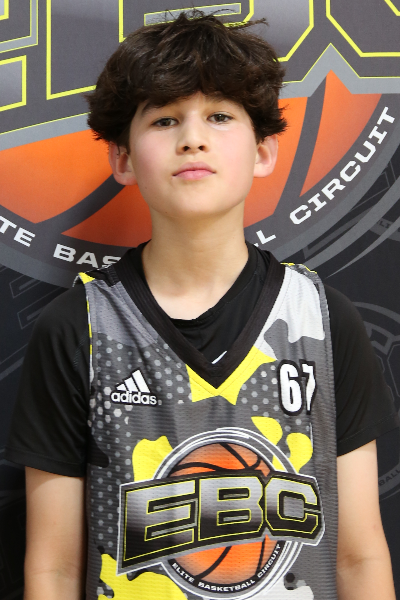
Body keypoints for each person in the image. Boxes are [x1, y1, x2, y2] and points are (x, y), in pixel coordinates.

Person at [5, 12, 398, 600]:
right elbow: (54, 570)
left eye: (219, 116)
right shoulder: (79, 326)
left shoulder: (321, 319)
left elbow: (359, 556)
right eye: (164, 119)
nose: (193, 138)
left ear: (263, 151)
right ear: (124, 158)